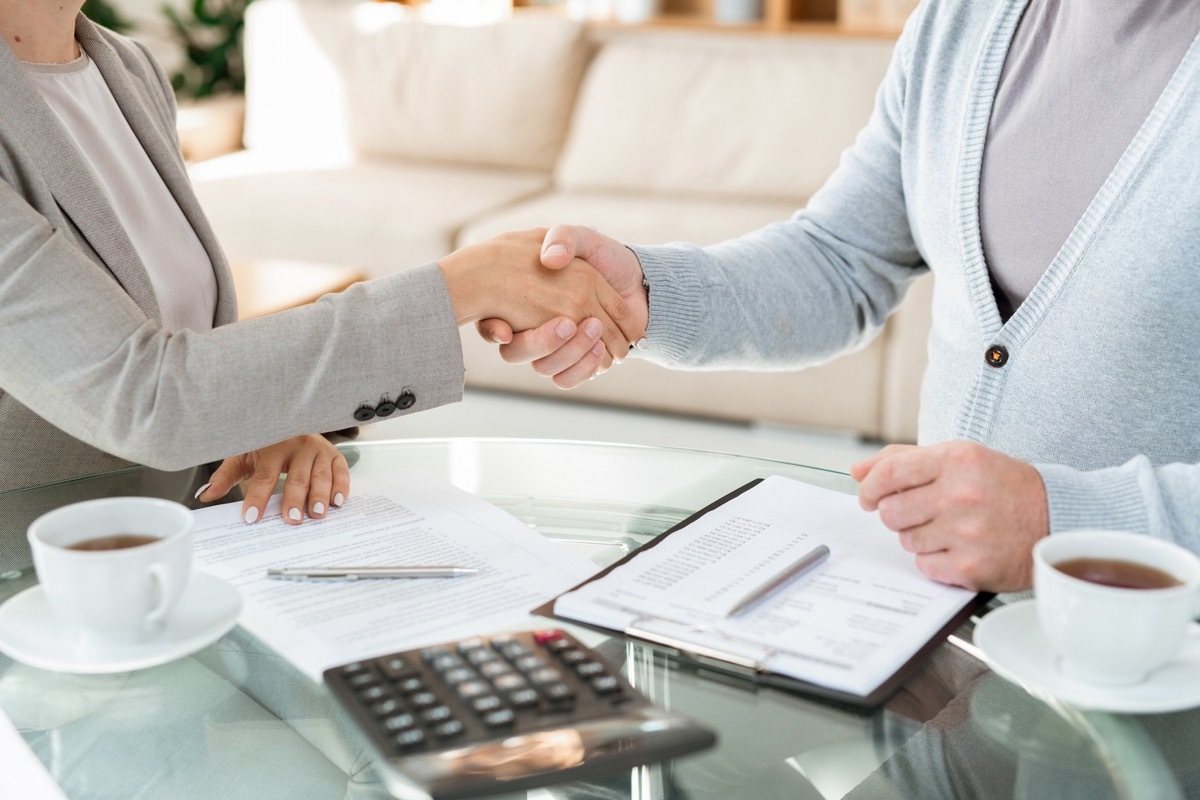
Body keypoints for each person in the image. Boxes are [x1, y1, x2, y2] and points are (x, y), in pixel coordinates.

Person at [479, 0, 1200, 593]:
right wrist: (649, 293)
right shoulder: (962, 21)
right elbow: (841, 257)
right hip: (950, 631)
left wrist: (1065, 521)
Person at [0, 2, 643, 522]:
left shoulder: (129, 70)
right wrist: (465, 285)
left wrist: (259, 423)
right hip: (40, 589)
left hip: (185, 552)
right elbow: (143, 398)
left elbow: (192, 349)